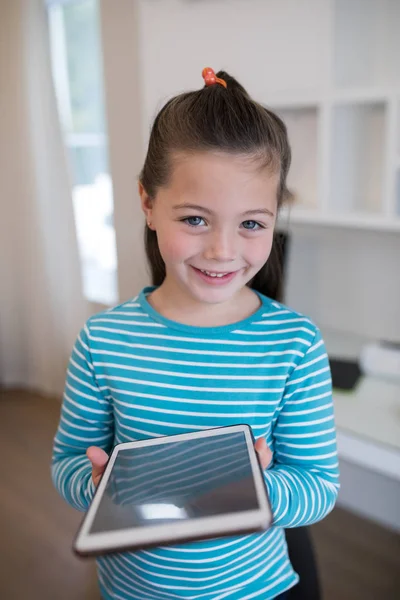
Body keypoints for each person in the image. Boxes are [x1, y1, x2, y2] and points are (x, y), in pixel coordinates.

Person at [52, 68, 339, 600]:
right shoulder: (103, 340)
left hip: (256, 588)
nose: (223, 251)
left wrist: (244, 488)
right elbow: (68, 462)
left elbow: (317, 486)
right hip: (132, 590)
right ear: (147, 203)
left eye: (251, 224)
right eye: (195, 220)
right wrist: (96, 487)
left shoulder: (294, 344)